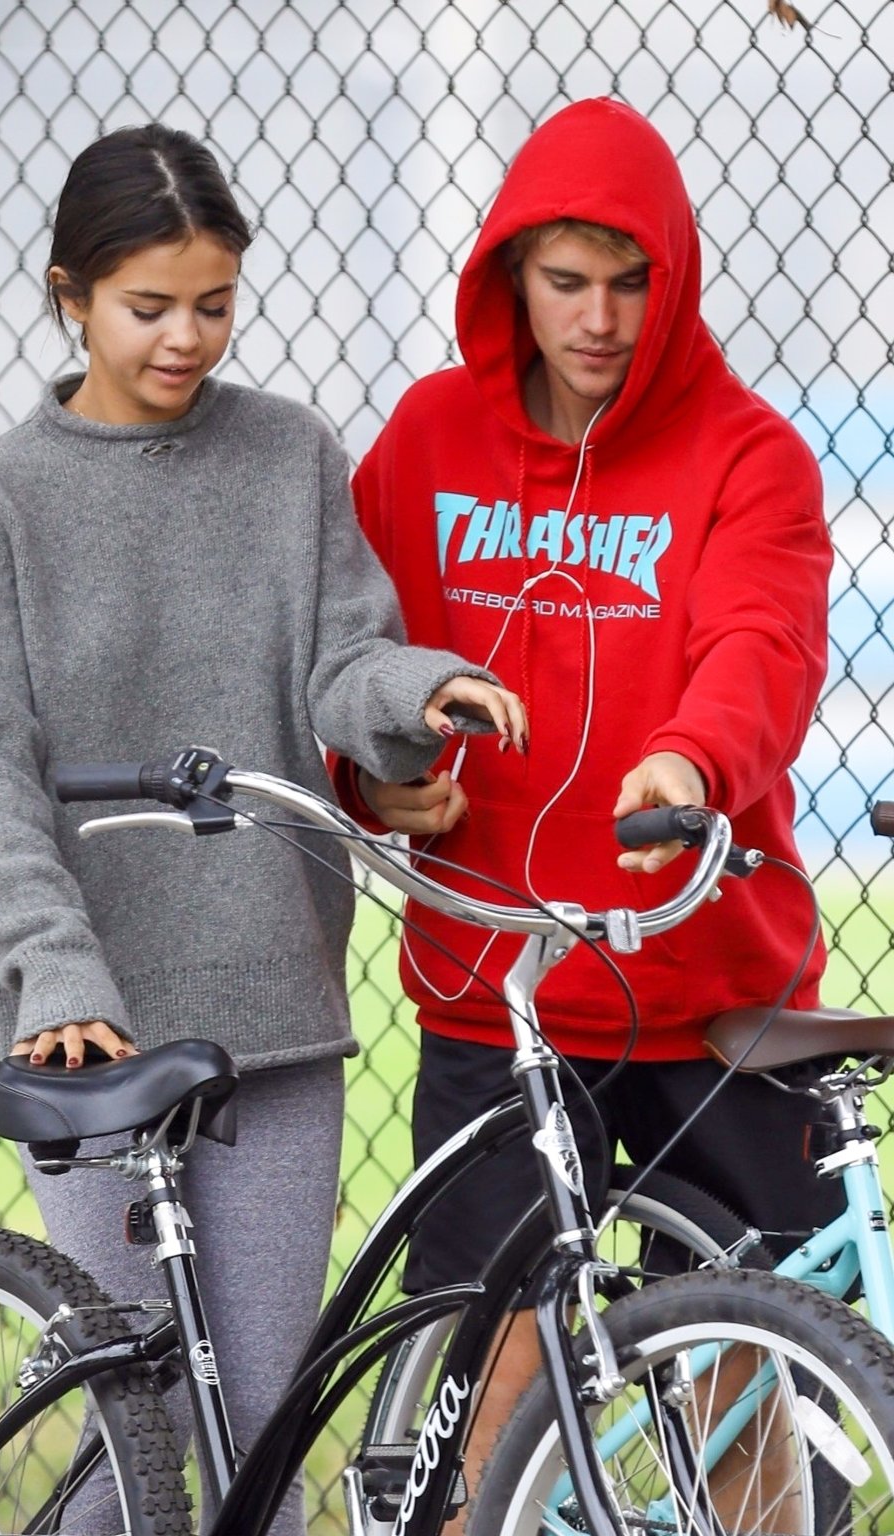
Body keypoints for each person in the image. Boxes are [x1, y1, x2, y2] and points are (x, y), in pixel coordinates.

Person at [0, 124, 527, 1536]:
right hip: (98, 1029)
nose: (186, 337)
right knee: (128, 1435)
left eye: (214, 302)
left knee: (263, 1421)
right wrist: (56, 980)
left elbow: (342, 661)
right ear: (71, 294)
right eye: (149, 307)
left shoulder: (287, 456)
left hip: (273, 1004)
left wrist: (419, 693)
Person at [328, 95, 839, 1499]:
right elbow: (351, 654)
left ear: (670, 279)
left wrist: (691, 761)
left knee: (739, 1357)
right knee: (500, 1351)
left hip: (707, 984)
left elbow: (763, 645)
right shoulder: (427, 443)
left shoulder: (752, 457)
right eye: (565, 283)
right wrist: (371, 775)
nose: (600, 318)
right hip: (497, 980)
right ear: (509, 278)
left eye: (631, 283)